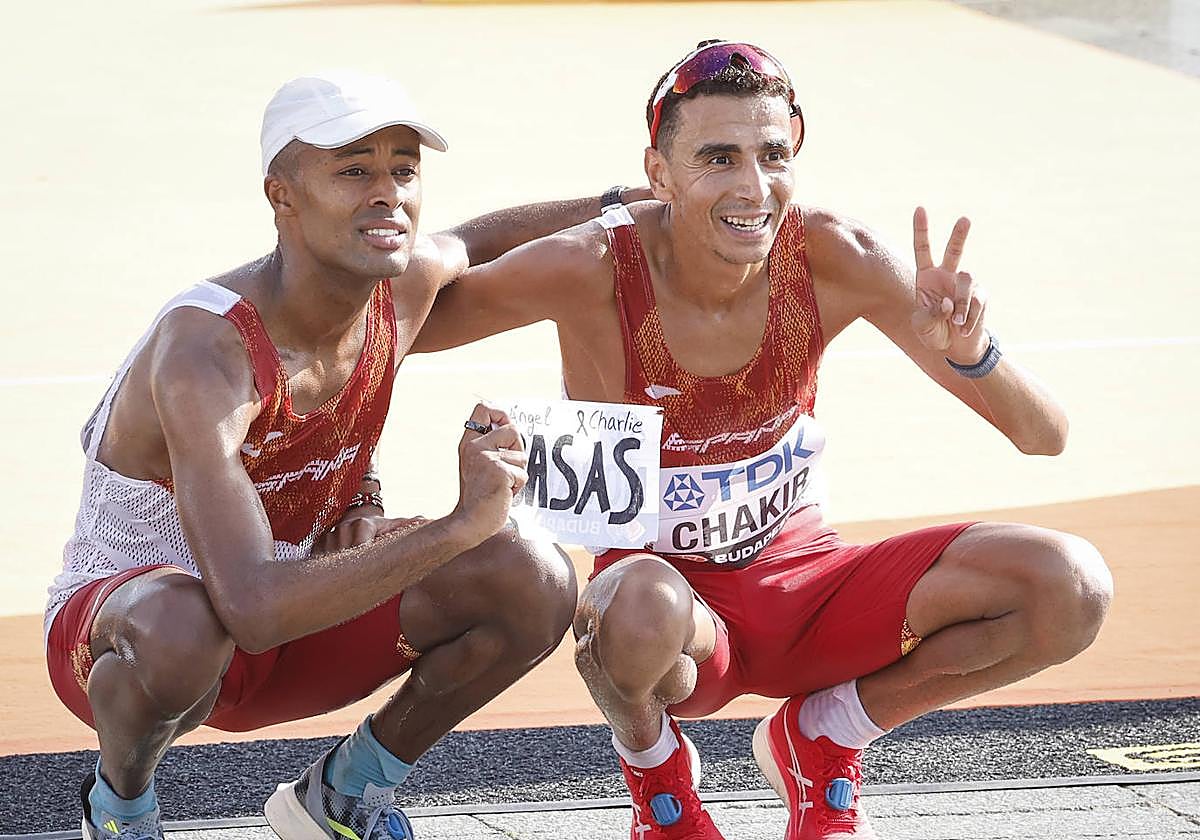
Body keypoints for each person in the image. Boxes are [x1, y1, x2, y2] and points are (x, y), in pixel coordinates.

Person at [412, 40, 1115, 840]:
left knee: (1071, 586)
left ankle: (827, 737)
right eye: (717, 157)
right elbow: (392, 329)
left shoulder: (834, 255)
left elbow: (1044, 436)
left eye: (773, 154)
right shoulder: (591, 264)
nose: (754, 187)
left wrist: (973, 357)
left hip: (811, 594)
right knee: (638, 605)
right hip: (673, 627)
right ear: (659, 170)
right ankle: (658, 783)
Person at [44, 70, 623, 840]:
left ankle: (342, 796)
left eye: (403, 169)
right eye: (353, 170)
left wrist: (645, 202)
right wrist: (456, 525)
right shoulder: (205, 350)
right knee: (181, 622)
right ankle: (120, 806)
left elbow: (479, 239)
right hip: (139, 639)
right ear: (281, 194)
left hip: (294, 619)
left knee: (534, 577)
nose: (388, 193)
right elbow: (248, 608)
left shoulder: (401, 288)